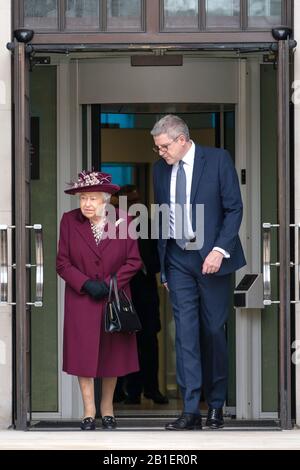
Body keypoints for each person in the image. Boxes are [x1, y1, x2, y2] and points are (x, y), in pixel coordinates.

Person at [151, 115, 246, 430]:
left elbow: (234, 208)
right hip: (178, 260)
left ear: (181, 140)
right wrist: (164, 268)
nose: (160, 153)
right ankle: (190, 410)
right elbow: (163, 216)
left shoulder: (218, 160)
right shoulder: (159, 170)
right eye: (158, 148)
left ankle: (216, 405)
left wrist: (219, 250)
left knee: (213, 331)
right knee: (185, 334)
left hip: (212, 260)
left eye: (164, 146)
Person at [56, 170, 142, 431]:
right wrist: (84, 283)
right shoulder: (69, 221)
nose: (87, 204)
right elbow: (62, 262)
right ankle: (88, 410)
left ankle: (107, 408)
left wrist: (108, 283)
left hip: (113, 297)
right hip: (81, 299)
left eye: (93, 198)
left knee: (111, 355)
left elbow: (134, 261)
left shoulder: (124, 221)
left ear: (106, 200)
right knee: (83, 354)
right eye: (83, 198)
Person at [117, 185, 169, 405]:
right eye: (127, 202)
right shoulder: (112, 227)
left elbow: (160, 260)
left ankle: (151, 389)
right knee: (121, 341)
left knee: (148, 341)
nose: (132, 207)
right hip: (121, 291)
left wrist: (143, 265)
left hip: (146, 291)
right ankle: (125, 390)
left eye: (135, 201)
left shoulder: (150, 226)